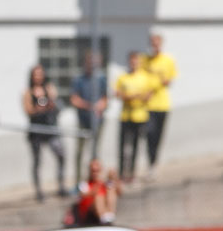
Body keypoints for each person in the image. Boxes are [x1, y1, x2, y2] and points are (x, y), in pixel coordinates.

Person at [23, 64, 65, 202]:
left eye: (40, 74)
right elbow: (28, 110)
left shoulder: (49, 88)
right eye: (36, 74)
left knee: (61, 154)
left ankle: (61, 185)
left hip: (50, 129)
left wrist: (50, 104)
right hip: (36, 130)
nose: (38, 77)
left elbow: (56, 104)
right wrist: (38, 109)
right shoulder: (28, 92)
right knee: (37, 161)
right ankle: (39, 190)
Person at [115, 51, 155, 183]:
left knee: (135, 146)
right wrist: (133, 96)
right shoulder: (123, 77)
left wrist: (132, 96)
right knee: (123, 146)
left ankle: (131, 173)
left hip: (139, 116)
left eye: (136, 61)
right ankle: (121, 173)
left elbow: (149, 94)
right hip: (125, 116)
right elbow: (118, 93)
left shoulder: (145, 77)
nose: (133, 63)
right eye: (131, 61)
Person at [70, 51, 108, 187]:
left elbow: (105, 98)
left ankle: (94, 181)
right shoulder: (79, 79)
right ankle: (79, 183)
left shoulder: (101, 79)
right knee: (79, 152)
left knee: (95, 152)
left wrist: (99, 106)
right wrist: (89, 106)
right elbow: (74, 99)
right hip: (83, 121)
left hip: (98, 121)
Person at [143, 32, 176, 179]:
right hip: (147, 106)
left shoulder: (167, 60)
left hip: (162, 104)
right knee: (149, 134)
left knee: (158, 136)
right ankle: (150, 163)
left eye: (157, 42)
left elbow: (168, 81)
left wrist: (153, 87)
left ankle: (154, 163)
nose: (154, 45)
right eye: (152, 42)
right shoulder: (145, 61)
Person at [69, 159, 121, 226]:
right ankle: (105, 219)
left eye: (97, 171)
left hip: (102, 211)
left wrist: (114, 178)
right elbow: (84, 195)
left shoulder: (105, 183)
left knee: (111, 190)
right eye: (93, 171)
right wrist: (99, 184)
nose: (95, 173)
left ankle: (109, 217)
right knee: (98, 197)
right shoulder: (84, 184)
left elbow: (119, 192)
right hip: (88, 215)